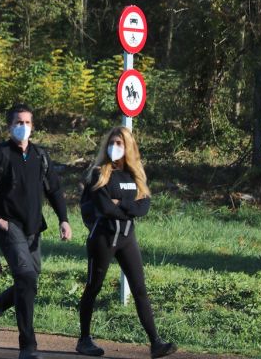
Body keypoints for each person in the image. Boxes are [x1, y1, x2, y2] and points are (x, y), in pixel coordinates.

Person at [0, 104, 72, 359]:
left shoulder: (40, 155)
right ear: (9, 126)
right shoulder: (0, 155)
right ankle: (27, 346)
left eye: (27, 122)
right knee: (27, 279)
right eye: (18, 122)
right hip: (9, 227)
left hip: (33, 229)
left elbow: (54, 189)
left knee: (27, 282)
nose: (23, 127)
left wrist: (64, 219)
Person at [76, 127, 177, 358]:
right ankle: (84, 339)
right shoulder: (98, 174)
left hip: (127, 238)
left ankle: (156, 343)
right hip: (103, 238)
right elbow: (104, 208)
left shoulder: (136, 175)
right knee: (94, 287)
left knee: (140, 289)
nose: (115, 147)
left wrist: (120, 203)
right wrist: (127, 207)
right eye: (112, 142)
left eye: (120, 143)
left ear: (128, 147)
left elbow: (144, 207)